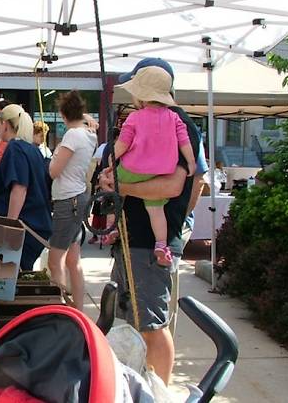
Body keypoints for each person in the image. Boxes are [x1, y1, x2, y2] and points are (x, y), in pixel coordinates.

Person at [99, 57, 202, 385]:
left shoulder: (178, 124)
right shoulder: (148, 120)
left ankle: (158, 391)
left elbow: (176, 185)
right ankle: (137, 387)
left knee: (152, 326)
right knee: (130, 321)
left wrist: (121, 185)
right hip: (133, 240)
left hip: (149, 244)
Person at [107, 66, 195, 266]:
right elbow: (185, 143)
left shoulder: (134, 118)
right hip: (159, 172)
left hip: (131, 169)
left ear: (141, 96)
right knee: (156, 211)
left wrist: (112, 163)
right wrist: (190, 162)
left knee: (112, 189)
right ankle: (161, 245)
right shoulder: (175, 119)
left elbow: (121, 145)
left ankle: (112, 226)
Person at [46, 91, 97, 311]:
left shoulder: (72, 136)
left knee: (55, 260)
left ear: (63, 115)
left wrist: (54, 156)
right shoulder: (89, 135)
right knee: (73, 261)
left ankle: (61, 311)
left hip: (67, 200)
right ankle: (78, 310)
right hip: (79, 197)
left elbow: (54, 171)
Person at [0, 104, 52, 271]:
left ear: (5, 124)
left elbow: (19, 188)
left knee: (14, 277)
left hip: (27, 228)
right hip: (37, 225)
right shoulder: (33, 150)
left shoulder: (15, 148)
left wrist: (10, 227)